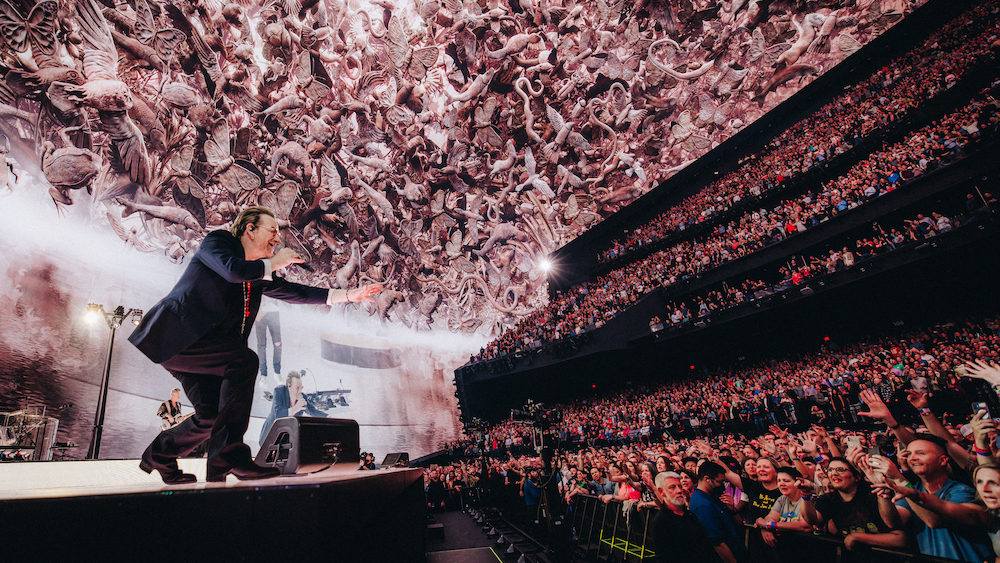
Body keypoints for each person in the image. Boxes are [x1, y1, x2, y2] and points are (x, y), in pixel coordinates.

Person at [130, 206, 382, 484]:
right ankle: (227, 458)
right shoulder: (220, 243)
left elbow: (294, 292)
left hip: (200, 348)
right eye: (272, 231)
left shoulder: (256, 274)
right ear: (249, 230)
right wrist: (274, 263)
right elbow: (232, 270)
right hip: (177, 335)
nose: (277, 238)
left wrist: (348, 295)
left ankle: (160, 455)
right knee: (244, 361)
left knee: (211, 416)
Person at [651, 471, 724, 563]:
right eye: (672, 487)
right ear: (661, 491)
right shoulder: (661, 522)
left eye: (680, 486)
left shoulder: (689, 515)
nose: (679, 491)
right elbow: (664, 557)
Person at [689, 461, 746, 563]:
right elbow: (718, 544)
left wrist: (733, 510)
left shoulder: (714, 497)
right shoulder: (703, 505)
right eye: (720, 482)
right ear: (707, 479)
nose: (722, 485)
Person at [259, 371, 327, 444]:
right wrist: (295, 408)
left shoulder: (302, 397)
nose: (300, 391)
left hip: (286, 438)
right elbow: (278, 414)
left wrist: (328, 417)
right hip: (270, 434)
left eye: (301, 388)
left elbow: (313, 411)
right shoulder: (279, 391)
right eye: (297, 388)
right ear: (289, 386)